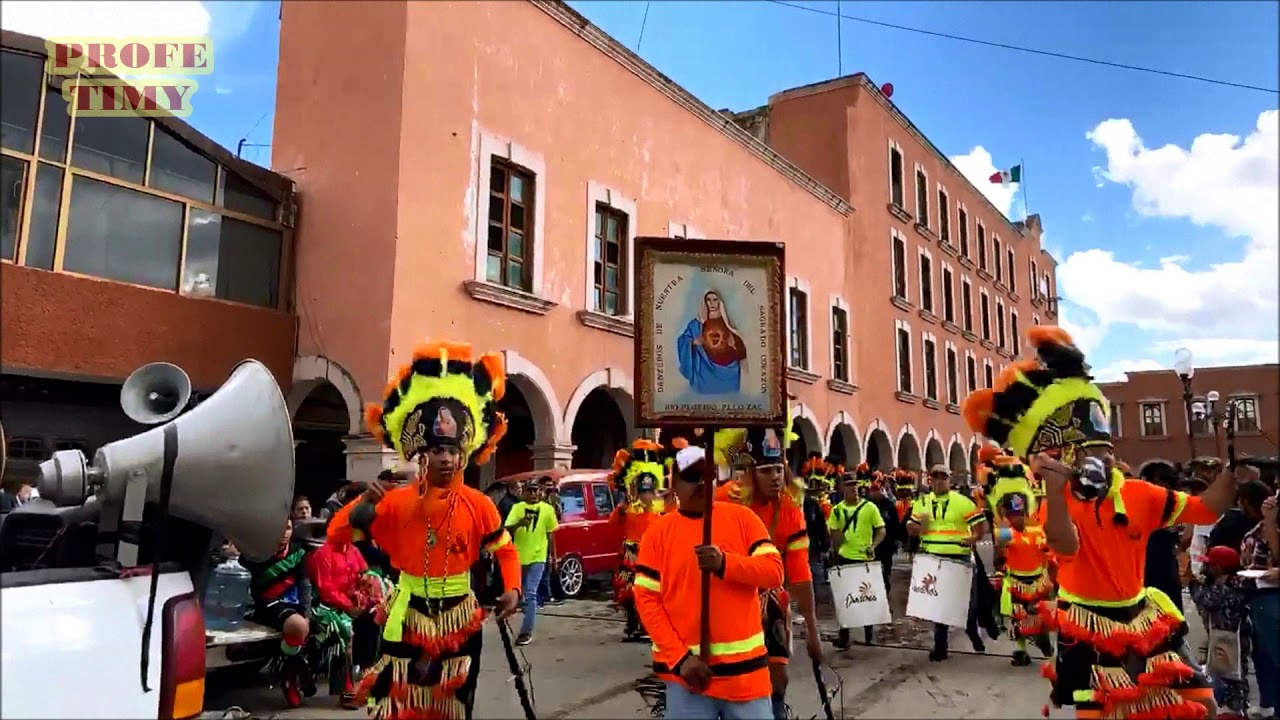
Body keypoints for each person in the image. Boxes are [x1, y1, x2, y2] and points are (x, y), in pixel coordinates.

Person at [961, 325, 1234, 719]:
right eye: (1092, 453)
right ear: (1066, 457)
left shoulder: (1139, 493)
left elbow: (1206, 509)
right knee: (1099, 712)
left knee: (1202, 703)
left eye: (1105, 452)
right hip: (1086, 624)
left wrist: (1231, 469)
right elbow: (1065, 545)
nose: (1103, 461)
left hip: (1142, 616)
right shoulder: (1052, 503)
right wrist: (1055, 491)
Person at [327, 340, 522, 720]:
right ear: (421, 455)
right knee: (398, 706)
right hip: (406, 615)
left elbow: (506, 550)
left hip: (460, 619)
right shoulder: (394, 502)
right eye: (436, 451)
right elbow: (337, 536)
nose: (446, 459)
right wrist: (365, 502)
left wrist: (513, 588)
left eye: (452, 451)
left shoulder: (479, 504)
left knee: (454, 706)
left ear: (464, 454)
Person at [633, 444, 782, 720]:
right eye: (692, 478)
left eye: (708, 476)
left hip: (745, 678)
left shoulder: (743, 519)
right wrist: (680, 659)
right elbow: (647, 600)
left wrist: (725, 564)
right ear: (674, 484)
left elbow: (773, 572)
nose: (702, 484)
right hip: (688, 678)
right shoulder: (658, 533)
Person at [714, 424, 823, 720]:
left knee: (778, 678)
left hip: (772, 597)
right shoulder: (724, 499)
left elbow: (799, 573)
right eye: (766, 471)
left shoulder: (790, 508)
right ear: (750, 473)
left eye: (778, 469)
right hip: (728, 595)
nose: (775, 477)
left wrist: (812, 630)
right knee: (731, 678)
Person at [906, 464, 990, 661]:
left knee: (966, 603)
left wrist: (973, 538)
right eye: (935, 477)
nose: (938, 481)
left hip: (958, 557)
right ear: (930, 480)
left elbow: (980, 525)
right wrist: (913, 527)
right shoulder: (922, 502)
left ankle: (972, 632)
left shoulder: (963, 502)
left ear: (949, 480)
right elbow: (913, 527)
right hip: (933, 558)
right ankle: (940, 647)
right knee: (939, 605)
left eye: (943, 477)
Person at [242, 518, 315, 709]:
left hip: (291, 603)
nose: (284, 533)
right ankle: (293, 673)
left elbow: (304, 585)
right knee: (298, 627)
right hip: (263, 605)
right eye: (280, 528)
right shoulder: (256, 553)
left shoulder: (298, 553)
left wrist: (307, 614)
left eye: (288, 528)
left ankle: (290, 670)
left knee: (318, 624)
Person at [988, 464, 1054, 666]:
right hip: (1016, 581)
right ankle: (1021, 650)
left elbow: (1049, 554)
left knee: (1039, 619)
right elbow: (998, 554)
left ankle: (1045, 646)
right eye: (1010, 514)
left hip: (1038, 582)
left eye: (1017, 513)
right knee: (1018, 617)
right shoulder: (1006, 532)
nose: (1014, 518)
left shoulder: (1037, 530)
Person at [607, 439, 670, 641]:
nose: (646, 495)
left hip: (652, 555)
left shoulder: (662, 509)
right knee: (625, 591)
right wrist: (622, 508)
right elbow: (612, 523)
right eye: (643, 491)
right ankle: (633, 621)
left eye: (649, 491)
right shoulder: (628, 508)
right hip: (630, 555)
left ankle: (646, 625)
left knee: (648, 591)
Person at [306, 521, 371, 708]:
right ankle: (345, 688)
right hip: (325, 607)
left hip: (350, 604)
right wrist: (349, 606)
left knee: (376, 621)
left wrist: (367, 584)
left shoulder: (353, 550)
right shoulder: (322, 554)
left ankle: (367, 677)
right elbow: (326, 590)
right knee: (344, 630)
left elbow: (365, 572)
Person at [1187, 546, 1251, 718]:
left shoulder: (1230, 588)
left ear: (1218, 568)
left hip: (1233, 642)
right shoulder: (1223, 584)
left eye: (1209, 565)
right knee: (1220, 675)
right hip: (1221, 640)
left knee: (1233, 678)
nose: (1206, 568)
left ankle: (1235, 711)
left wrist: (1192, 582)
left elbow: (1205, 599)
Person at [828, 471, 887, 649]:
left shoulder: (869, 507)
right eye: (849, 485)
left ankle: (869, 636)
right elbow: (833, 532)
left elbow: (881, 529)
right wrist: (836, 544)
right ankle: (844, 637)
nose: (853, 488)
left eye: (855, 484)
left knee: (866, 597)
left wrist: (873, 545)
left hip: (865, 559)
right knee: (845, 598)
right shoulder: (837, 510)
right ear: (842, 488)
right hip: (845, 558)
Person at [504, 479, 559, 646]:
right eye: (530, 491)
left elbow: (551, 534)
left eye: (536, 491)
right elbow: (507, 529)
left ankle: (526, 632)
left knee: (531, 593)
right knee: (517, 593)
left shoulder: (547, 509)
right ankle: (515, 617)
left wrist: (553, 557)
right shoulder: (517, 508)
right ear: (524, 493)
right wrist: (520, 523)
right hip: (519, 557)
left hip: (538, 557)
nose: (534, 494)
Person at [1241, 492, 1279, 719]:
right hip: (1256, 591)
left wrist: (1271, 523)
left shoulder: (1273, 524)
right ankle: (1268, 702)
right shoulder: (1261, 523)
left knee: (1275, 653)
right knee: (1262, 653)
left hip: (1272, 594)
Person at [536, 476, 566, 607]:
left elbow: (559, 516)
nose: (549, 488)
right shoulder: (538, 500)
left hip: (550, 534)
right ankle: (542, 595)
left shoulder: (554, 500)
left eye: (550, 485)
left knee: (549, 565)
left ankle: (547, 594)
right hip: (539, 536)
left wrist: (555, 500)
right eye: (546, 486)